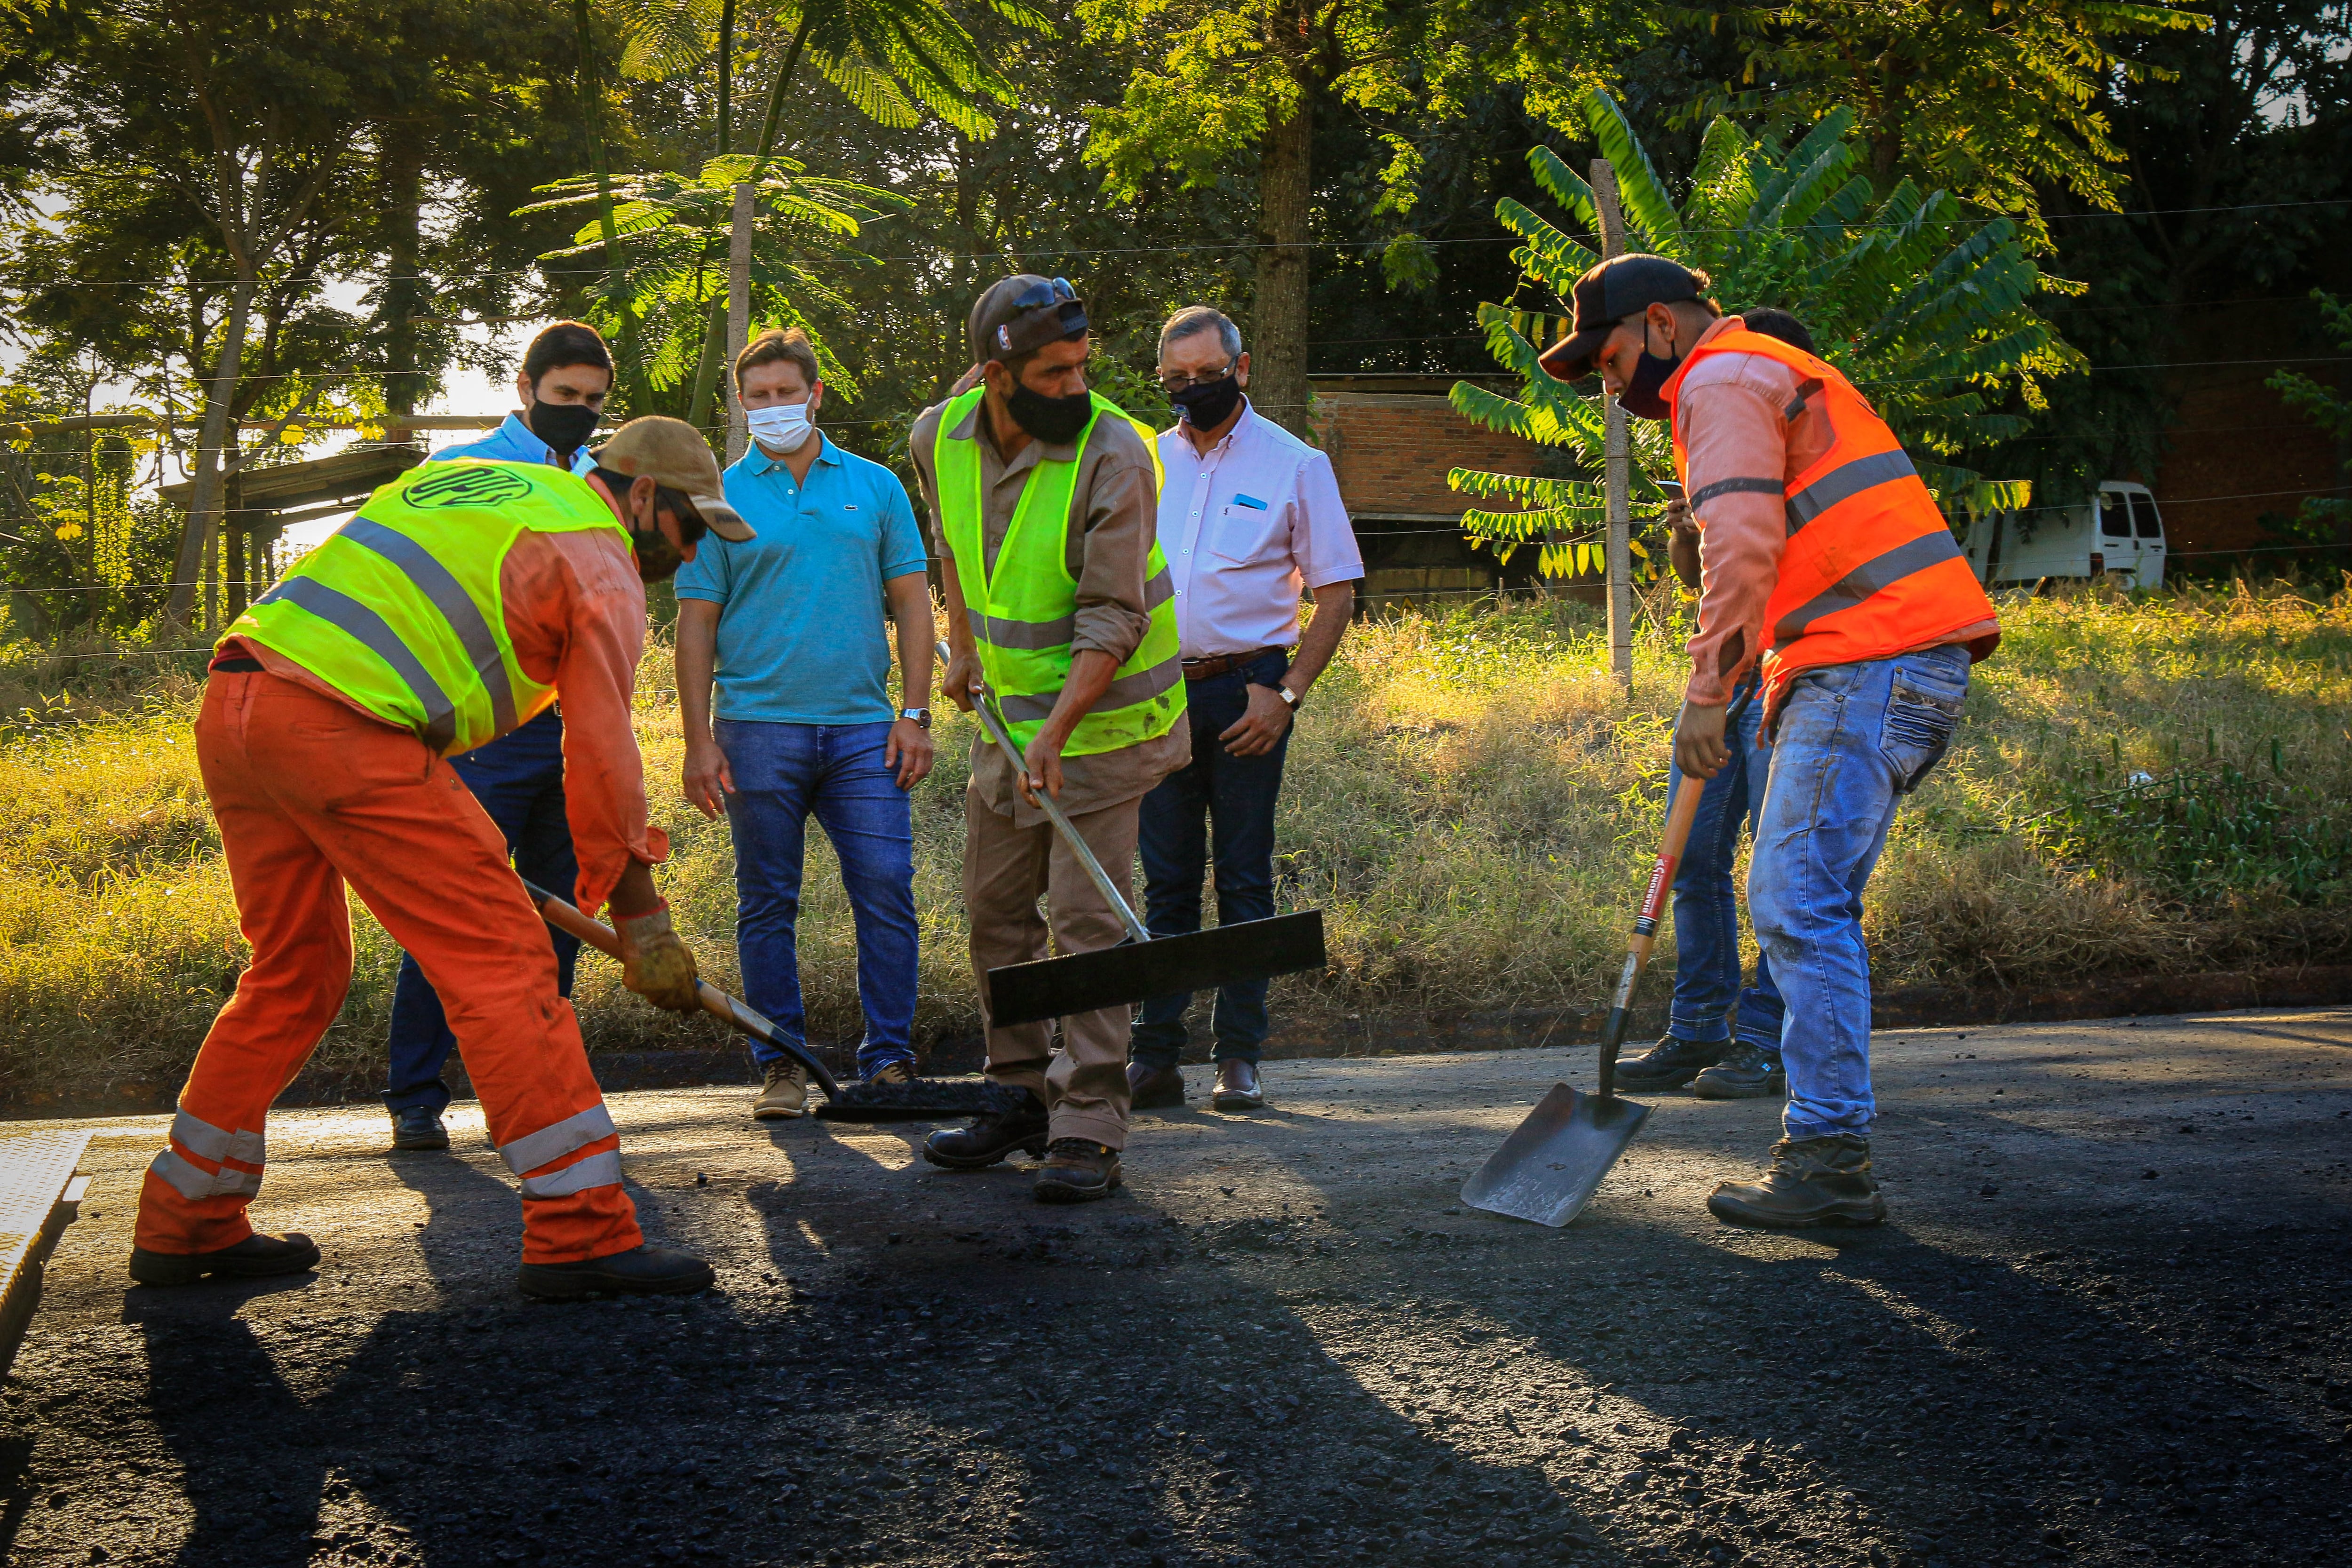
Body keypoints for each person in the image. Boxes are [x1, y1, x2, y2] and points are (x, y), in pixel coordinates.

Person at [130, 417, 752, 1297]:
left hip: (239, 704)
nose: (690, 556)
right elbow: (602, 753)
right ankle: (583, 1231)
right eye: (693, 529)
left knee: (296, 970)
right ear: (644, 494)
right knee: (504, 960)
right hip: (342, 728)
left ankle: (186, 1215)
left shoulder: (460, 485)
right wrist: (642, 917)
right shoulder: (599, 553)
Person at [1541, 257, 2000, 1228]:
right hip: (1879, 658)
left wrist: (1706, 693)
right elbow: (1767, 552)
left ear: (1659, 324)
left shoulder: (1718, 378)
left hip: (1869, 658)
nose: (1612, 388)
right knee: (1807, 896)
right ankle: (1827, 1150)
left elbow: (1740, 548)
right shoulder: (1754, 373)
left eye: (1611, 360)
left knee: (1794, 896)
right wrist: (1748, 673)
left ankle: (1829, 1160)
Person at [909, 274, 1188, 1203]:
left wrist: (1058, 730)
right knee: (994, 910)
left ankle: (1088, 1120)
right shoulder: (937, 435)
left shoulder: (1116, 450)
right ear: (996, 375)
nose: (1078, 387)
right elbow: (950, 540)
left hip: (1103, 727)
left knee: (1084, 925)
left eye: (1082, 368)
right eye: (1055, 373)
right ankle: (1017, 1092)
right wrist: (958, 640)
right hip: (1008, 726)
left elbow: (1112, 616)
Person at [677, 327, 936, 1119]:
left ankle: (889, 1060)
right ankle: (782, 1067)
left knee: (887, 890)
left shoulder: (876, 486)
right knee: (765, 901)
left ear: (816, 395)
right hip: (756, 728)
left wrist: (915, 713)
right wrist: (697, 738)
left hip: (865, 729)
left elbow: (912, 604)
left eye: (787, 392)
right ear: (742, 405)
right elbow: (696, 624)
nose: (774, 407)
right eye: (758, 397)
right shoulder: (718, 497)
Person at [378, 320, 614, 1153]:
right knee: (457, 913)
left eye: (593, 402)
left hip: (575, 729)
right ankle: (415, 1093)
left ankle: (539, 1088)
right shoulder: (456, 473)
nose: (578, 414)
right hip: (485, 732)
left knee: (565, 914)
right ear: (525, 387)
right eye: (564, 398)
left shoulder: (599, 480)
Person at [1124, 306, 1361, 1114]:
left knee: (1246, 877)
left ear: (1244, 367)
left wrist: (1286, 692)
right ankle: (1153, 1058)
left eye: (1207, 374)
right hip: (1158, 690)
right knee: (1166, 882)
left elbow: (1336, 592)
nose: (1195, 389)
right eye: (1178, 380)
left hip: (1248, 690)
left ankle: (1240, 1057)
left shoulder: (1295, 464)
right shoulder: (1144, 463)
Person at [1612, 308, 1815, 1104]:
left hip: (1792, 673)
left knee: (1782, 868)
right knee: (1691, 857)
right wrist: (1684, 526)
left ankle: (1766, 1039)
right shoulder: (1725, 436)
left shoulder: (1812, 448)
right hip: (1726, 677)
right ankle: (1698, 1028)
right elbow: (1706, 583)